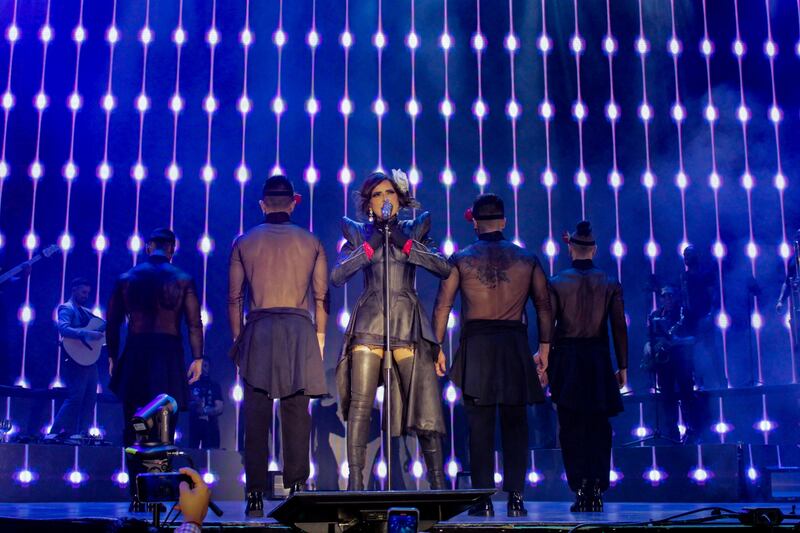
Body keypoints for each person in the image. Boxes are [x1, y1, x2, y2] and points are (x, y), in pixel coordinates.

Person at [432, 193, 552, 517]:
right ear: (504, 221)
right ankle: (516, 498)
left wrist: (437, 348)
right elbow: (544, 306)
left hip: (479, 347)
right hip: (512, 344)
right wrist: (544, 350)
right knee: (516, 425)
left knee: (479, 427)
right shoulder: (526, 259)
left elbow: (443, 304)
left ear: (474, 224)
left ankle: (482, 500)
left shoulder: (461, 258)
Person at [331, 169, 451, 491]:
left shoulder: (415, 229)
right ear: (369, 203)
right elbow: (338, 275)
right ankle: (355, 485)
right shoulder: (358, 233)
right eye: (377, 194)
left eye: (390, 193)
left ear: (400, 198)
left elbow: (443, 267)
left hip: (407, 323)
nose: (385, 199)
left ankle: (438, 486)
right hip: (370, 321)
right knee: (360, 404)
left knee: (424, 403)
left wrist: (403, 241)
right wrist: (371, 244)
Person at [228, 175, 328, 517]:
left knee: (256, 415)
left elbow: (234, 299)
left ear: (262, 204)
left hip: (260, 326)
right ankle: (297, 487)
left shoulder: (244, 241)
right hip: (299, 329)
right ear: (293, 203)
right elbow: (321, 297)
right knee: (296, 413)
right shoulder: (311, 241)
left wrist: (237, 339)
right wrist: (320, 339)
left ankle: (255, 492)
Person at [106, 228, 204, 510]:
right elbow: (194, 322)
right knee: (164, 427)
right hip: (168, 354)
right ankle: (156, 493)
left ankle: (137, 495)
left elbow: (113, 324)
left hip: (137, 353)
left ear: (148, 247)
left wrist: (113, 356)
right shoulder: (183, 279)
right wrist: (197, 357)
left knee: (133, 425)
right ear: (172, 249)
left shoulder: (126, 278)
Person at [546, 221, 627, 512]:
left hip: (567, 360)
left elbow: (549, 326)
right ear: (594, 248)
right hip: (597, 359)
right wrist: (624, 366)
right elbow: (619, 327)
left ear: (570, 248)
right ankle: (596, 487)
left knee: (571, 427)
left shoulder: (557, 282)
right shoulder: (609, 282)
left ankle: (580, 488)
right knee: (598, 427)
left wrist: (544, 358)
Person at [47, 277, 105, 440]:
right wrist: (87, 333)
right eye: (83, 292)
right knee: (76, 396)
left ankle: (81, 433)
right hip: (74, 359)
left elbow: (100, 329)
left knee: (90, 397)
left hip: (88, 360)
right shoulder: (66, 308)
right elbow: (63, 329)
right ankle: (54, 433)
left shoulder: (86, 312)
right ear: (74, 290)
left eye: (88, 293)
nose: (86, 295)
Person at [642, 285, 698, 443]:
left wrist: (678, 342)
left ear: (676, 297)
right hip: (663, 364)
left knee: (687, 395)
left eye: (670, 296)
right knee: (667, 397)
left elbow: (694, 338)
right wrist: (648, 346)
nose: (668, 299)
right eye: (664, 296)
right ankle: (672, 433)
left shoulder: (683, 314)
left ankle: (691, 431)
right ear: (660, 298)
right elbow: (649, 338)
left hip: (681, 361)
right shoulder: (655, 315)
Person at [680, 245, 723, 389]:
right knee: (691, 352)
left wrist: (711, 314)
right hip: (690, 319)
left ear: (696, 256)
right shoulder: (684, 276)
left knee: (711, 350)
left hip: (704, 317)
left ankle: (722, 380)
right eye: (684, 254)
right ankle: (697, 383)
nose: (686, 257)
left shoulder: (705, 273)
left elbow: (713, 295)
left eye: (689, 254)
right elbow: (685, 296)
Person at [187, 360, 223, 449]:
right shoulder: (192, 385)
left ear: (210, 368)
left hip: (210, 427)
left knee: (211, 456)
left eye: (206, 366)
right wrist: (195, 404)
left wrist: (205, 410)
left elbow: (220, 408)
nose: (203, 368)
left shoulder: (214, 386)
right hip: (195, 427)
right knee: (193, 454)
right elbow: (185, 404)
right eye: (201, 366)